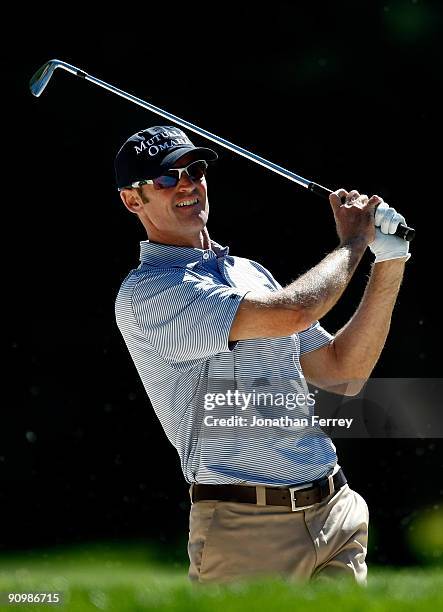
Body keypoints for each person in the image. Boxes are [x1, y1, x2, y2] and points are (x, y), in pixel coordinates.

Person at [114, 125, 410, 585]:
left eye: (194, 170)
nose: (188, 183)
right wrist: (353, 243)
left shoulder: (248, 272)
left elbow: (341, 373)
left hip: (335, 510)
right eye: (166, 179)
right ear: (133, 202)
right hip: (246, 527)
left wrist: (388, 259)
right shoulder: (149, 293)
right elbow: (294, 311)